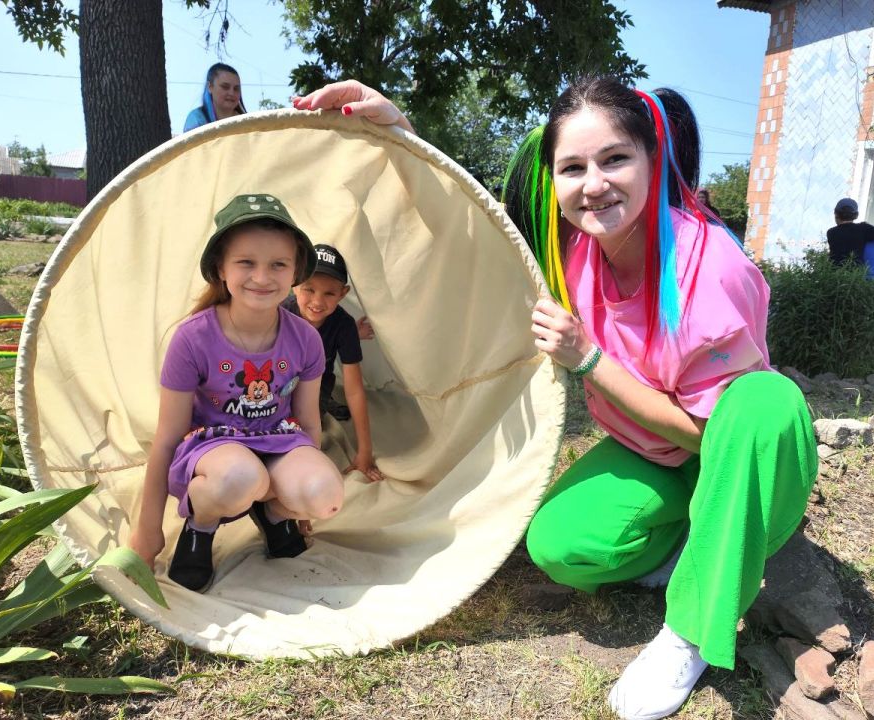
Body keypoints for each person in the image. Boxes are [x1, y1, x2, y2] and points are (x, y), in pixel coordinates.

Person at [295, 78, 817, 720]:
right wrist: (401, 131)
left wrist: (588, 360)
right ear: (555, 182)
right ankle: (696, 541)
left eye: (615, 159)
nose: (594, 183)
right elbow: (477, 233)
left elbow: (709, 437)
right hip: (656, 460)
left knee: (765, 401)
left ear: (654, 158)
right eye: (573, 167)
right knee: (558, 547)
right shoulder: (571, 252)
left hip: (737, 459)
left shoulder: (712, 268)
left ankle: (691, 630)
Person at [129, 193, 345, 592]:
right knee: (242, 478)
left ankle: (273, 515)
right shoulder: (192, 339)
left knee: (326, 494)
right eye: (246, 262)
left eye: (278, 264)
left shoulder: (305, 340)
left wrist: (295, 505)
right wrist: (148, 531)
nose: (262, 277)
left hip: (278, 440)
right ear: (220, 269)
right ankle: (201, 527)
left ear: (296, 270)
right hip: (215, 449)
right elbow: (166, 438)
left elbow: (309, 421)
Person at [282, 243, 383, 482]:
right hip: (278, 381)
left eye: (329, 293)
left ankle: (325, 405)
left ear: (343, 294)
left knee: (303, 429)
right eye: (309, 289)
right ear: (294, 286)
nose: (318, 301)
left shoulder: (343, 325)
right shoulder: (279, 312)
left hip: (316, 384)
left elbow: (355, 389)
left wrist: (365, 452)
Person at [183, 63, 248, 132]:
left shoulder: (248, 123)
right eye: (225, 87)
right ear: (210, 87)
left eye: (236, 88)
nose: (231, 93)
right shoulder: (196, 119)